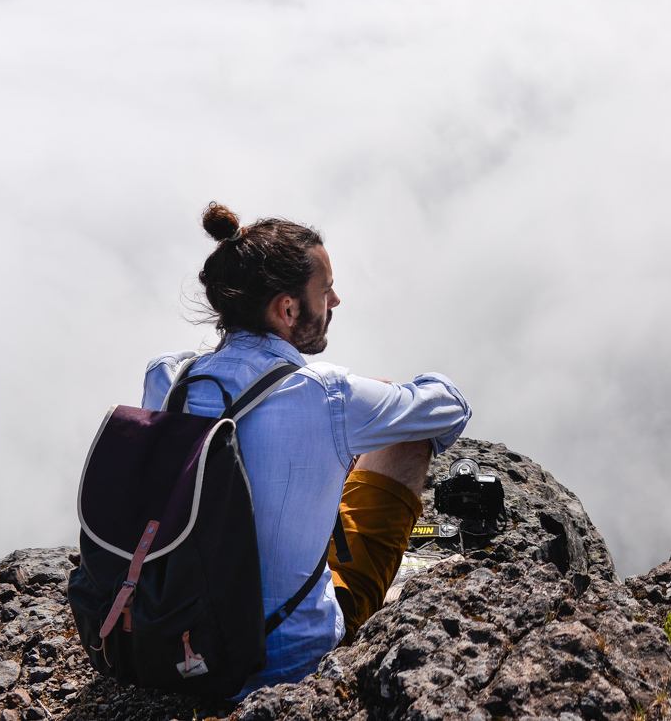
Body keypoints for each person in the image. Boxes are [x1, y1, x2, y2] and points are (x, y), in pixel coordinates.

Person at [141, 201, 471, 696]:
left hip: (174, 638)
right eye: (325, 289)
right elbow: (448, 407)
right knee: (406, 434)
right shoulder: (327, 394)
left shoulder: (167, 378)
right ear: (287, 308)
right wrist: (379, 397)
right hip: (284, 661)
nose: (335, 300)